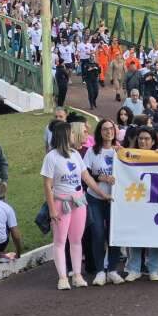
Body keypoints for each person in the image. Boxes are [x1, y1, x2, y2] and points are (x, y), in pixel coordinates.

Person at [41, 121, 111, 290]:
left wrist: (103, 195)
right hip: (61, 203)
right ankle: (63, 277)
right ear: (64, 135)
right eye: (71, 133)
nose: (74, 135)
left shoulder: (75, 155)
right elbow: (47, 186)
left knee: (76, 240)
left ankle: (77, 275)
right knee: (60, 241)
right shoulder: (51, 157)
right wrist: (52, 210)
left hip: (79, 201)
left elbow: (87, 178)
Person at [83, 119, 125, 286]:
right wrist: (100, 177)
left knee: (114, 235)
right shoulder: (92, 151)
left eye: (111, 129)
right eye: (105, 129)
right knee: (98, 233)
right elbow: (85, 174)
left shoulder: (120, 151)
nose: (109, 132)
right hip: (95, 198)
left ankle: (112, 269)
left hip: (115, 200)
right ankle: (100, 271)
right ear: (100, 132)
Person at [124, 126, 158, 281]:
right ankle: (134, 269)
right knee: (135, 234)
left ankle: (154, 269)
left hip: (156, 202)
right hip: (136, 200)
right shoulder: (129, 156)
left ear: (153, 141)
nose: (143, 141)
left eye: (147, 139)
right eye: (140, 138)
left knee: (156, 235)